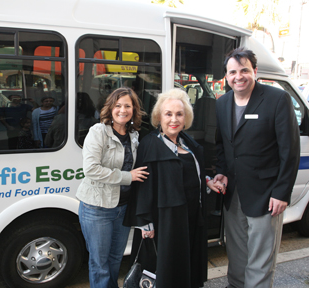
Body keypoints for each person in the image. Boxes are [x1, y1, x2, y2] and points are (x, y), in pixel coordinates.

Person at [213, 47, 300, 288]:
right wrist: (221, 170)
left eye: (244, 70)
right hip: (234, 192)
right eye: (232, 72)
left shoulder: (276, 99)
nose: (238, 76)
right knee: (237, 252)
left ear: (255, 72)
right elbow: (222, 145)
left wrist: (282, 192)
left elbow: (290, 150)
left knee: (261, 258)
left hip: (267, 194)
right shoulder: (222, 103)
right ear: (226, 76)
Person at [124, 88, 224, 288]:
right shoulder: (151, 144)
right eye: (168, 114)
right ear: (159, 117)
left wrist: (206, 181)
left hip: (190, 218)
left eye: (179, 114)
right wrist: (145, 222)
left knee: (184, 268)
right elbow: (143, 186)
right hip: (165, 222)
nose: (174, 119)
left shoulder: (187, 143)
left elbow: (186, 173)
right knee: (165, 271)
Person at [76, 87, 149, 288]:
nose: (122, 110)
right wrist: (128, 177)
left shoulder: (134, 135)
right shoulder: (98, 131)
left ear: (134, 109)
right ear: (110, 108)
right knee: (100, 264)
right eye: (118, 105)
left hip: (122, 208)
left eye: (128, 105)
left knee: (116, 259)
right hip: (97, 208)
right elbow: (91, 169)